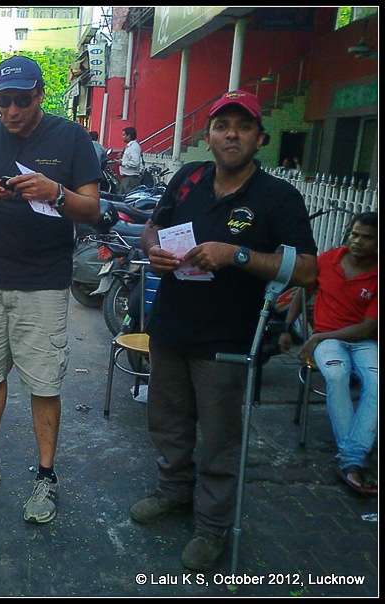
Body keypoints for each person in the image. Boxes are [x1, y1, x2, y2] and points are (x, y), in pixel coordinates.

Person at [133, 89, 318, 570]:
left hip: (227, 339)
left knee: (218, 437)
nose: (230, 133)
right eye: (221, 125)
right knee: (169, 423)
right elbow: (156, 225)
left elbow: (307, 271)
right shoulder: (188, 177)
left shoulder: (278, 197)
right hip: (171, 327)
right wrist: (154, 249)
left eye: (242, 125)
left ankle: (213, 527)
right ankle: (173, 491)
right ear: (208, 136)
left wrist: (236, 254)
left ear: (260, 137)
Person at [0, 55, 101, 524]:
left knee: (43, 381)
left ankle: (46, 477)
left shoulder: (71, 138)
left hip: (44, 283)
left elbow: (92, 210)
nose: (11, 110)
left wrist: (55, 191)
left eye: (21, 100)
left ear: (40, 96)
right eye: (3, 101)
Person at [279, 211, 378, 495]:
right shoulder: (327, 260)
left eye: (367, 238)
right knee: (337, 374)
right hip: (328, 342)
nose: (358, 241)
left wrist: (319, 336)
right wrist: (287, 327)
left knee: (377, 383)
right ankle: (354, 461)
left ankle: (350, 460)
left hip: (363, 341)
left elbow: (366, 328)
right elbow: (303, 292)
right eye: (355, 234)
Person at [117, 126, 142, 194]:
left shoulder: (134, 147)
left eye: (124, 135)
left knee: (127, 199)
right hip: (126, 178)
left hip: (130, 179)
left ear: (129, 136)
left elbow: (135, 163)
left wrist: (122, 163)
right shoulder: (130, 146)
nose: (122, 137)